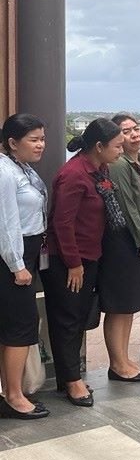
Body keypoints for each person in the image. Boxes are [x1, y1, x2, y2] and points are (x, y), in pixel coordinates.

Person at [43, 118, 124, 407]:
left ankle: (70, 375)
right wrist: (74, 263)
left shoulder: (99, 169)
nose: (121, 151)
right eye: (117, 146)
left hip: (90, 255)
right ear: (99, 146)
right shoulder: (74, 174)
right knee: (67, 319)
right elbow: (61, 224)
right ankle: (71, 381)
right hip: (68, 260)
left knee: (78, 317)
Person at [99, 114, 140, 382]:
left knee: (129, 305)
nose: (134, 134)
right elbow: (127, 208)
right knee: (120, 305)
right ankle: (117, 364)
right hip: (124, 240)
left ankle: (124, 360)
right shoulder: (118, 165)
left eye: (136, 128)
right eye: (126, 132)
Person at [0, 113, 50, 419]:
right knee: (20, 327)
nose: (41, 145)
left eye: (42, 139)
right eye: (34, 140)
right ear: (12, 142)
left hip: (27, 252)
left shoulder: (23, 168)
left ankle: (11, 390)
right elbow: (6, 223)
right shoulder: (5, 172)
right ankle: (15, 397)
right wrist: (17, 265)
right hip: (12, 258)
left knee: (15, 326)